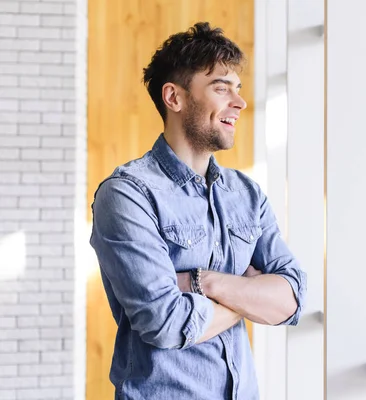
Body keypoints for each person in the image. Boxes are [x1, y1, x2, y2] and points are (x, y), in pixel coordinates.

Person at [89, 22, 306, 400]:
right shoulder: (127, 195)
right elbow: (167, 323)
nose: (238, 103)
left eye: (237, 89)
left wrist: (202, 282)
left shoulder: (246, 194)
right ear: (174, 97)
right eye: (221, 88)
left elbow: (291, 301)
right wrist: (250, 293)